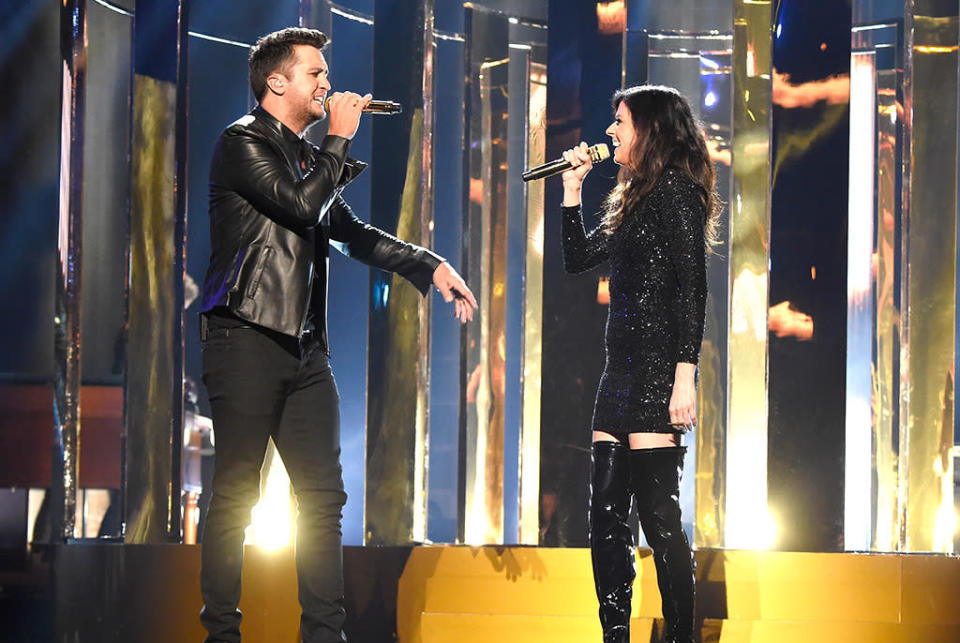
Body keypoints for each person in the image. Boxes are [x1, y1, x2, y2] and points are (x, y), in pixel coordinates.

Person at [197, 27, 477, 643]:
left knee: (323, 499)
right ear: (277, 82)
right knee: (237, 496)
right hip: (244, 336)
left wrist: (430, 265)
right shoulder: (240, 143)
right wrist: (340, 136)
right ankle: (221, 632)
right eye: (316, 73)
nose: (328, 83)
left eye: (327, 74)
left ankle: (324, 634)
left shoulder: (306, 156)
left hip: (303, 349)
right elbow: (300, 206)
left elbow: (351, 231)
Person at [558, 85, 719, 643]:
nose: (610, 132)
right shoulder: (632, 196)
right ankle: (615, 635)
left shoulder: (676, 191)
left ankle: (679, 636)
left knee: (659, 518)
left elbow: (692, 289)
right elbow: (578, 258)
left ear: (648, 129)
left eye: (619, 121)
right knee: (604, 516)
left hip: (657, 373)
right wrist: (571, 191)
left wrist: (684, 374)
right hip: (618, 374)